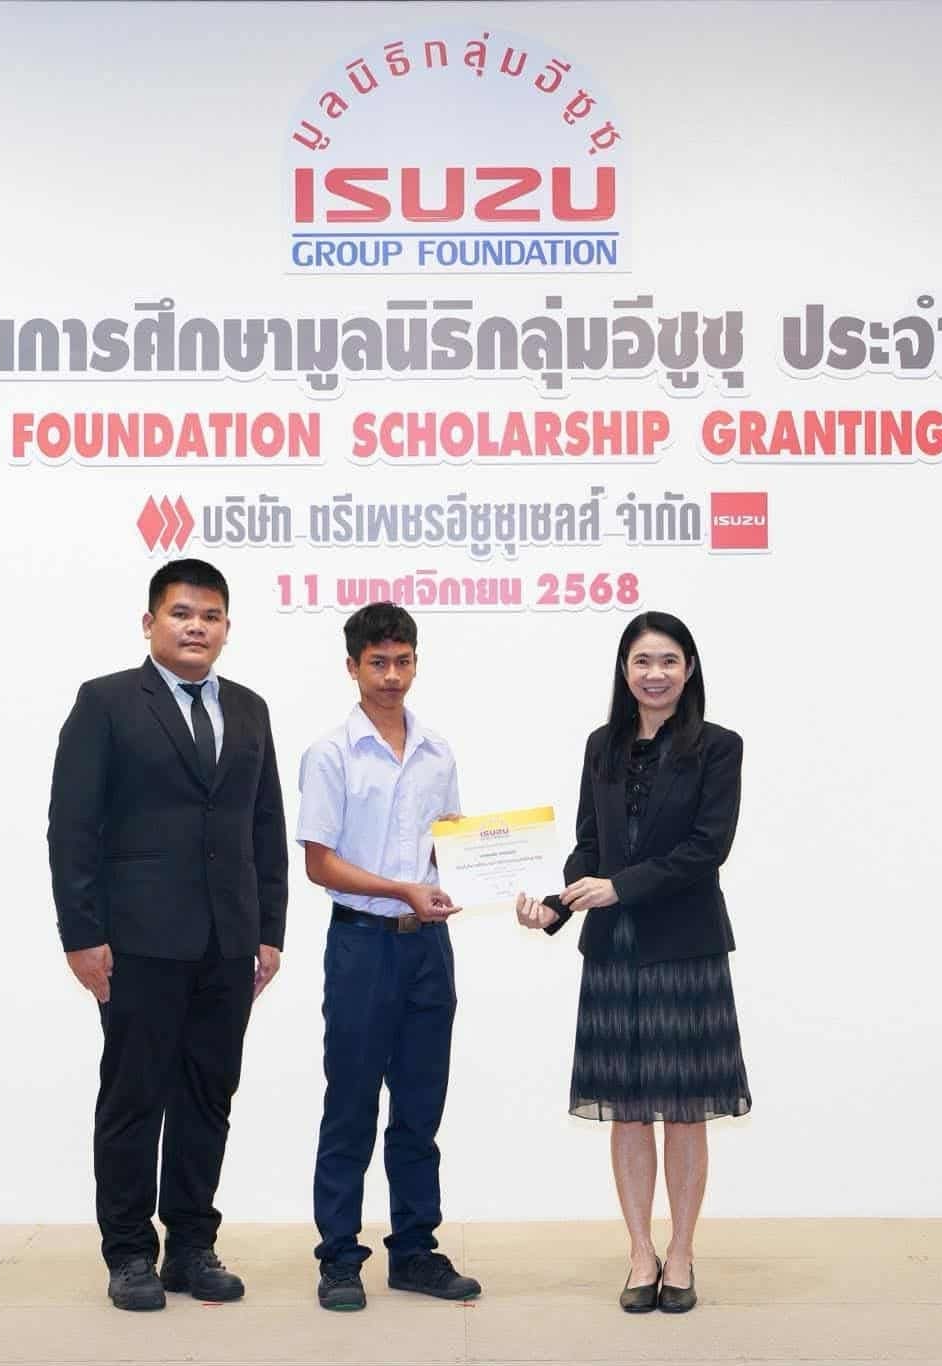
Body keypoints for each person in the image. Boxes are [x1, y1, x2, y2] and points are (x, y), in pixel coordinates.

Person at [46, 558, 289, 1312]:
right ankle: (128, 1253)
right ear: (150, 622)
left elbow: (265, 825)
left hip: (228, 943)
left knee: (207, 1096)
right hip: (137, 943)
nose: (196, 627)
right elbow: (72, 827)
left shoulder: (249, 709)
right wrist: (82, 934)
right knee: (134, 1098)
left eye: (210, 616)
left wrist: (269, 930)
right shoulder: (107, 702)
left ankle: (191, 1247)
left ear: (227, 628)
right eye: (181, 613)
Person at [514, 611, 750, 1314]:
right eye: (643, 661)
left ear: (690, 668)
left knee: (684, 1111)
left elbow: (707, 849)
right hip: (614, 949)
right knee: (628, 1111)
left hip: (685, 946)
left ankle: (681, 1253)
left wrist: (620, 886)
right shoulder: (603, 746)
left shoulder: (718, 747)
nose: (655, 673)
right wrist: (556, 906)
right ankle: (641, 1251)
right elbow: (589, 845)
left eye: (669, 660)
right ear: (624, 670)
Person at [295, 603, 482, 1311]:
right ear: (352, 667)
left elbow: (451, 845)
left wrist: (475, 875)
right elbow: (319, 863)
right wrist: (401, 889)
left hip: (429, 947)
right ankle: (340, 1259)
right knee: (349, 1105)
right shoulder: (331, 754)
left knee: (419, 1107)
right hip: (362, 944)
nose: (392, 675)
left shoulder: (438, 752)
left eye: (403, 661)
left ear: (416, 663)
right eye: (378, 662)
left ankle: (414, 1252)